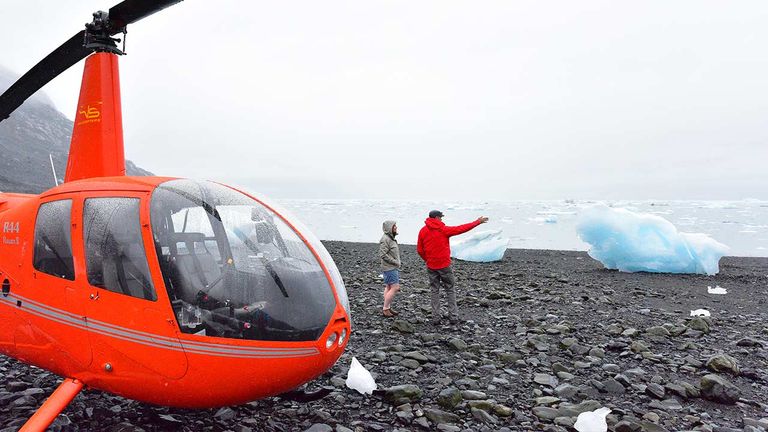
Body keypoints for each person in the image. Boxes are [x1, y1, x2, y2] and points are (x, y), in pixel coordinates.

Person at [417, 210, 488, 325]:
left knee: (434, 290)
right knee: (450, 289)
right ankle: (453, 317)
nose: (442, 219)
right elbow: (461, 229)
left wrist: (428, 259)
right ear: (436, 218)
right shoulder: (443, 229)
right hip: (444, 265)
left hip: (431, 266)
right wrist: (477, 222)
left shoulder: (423, 231)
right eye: (440, 217)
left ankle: (436, 318)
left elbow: (420, 250)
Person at [379, 220, 401, 317]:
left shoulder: (390, 238)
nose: (396, 227)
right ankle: (385, 308)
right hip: (389, 268)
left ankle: (387, 307)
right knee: (395, 287)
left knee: (389, 287)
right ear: (389, 228)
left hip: (390, 267)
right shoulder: (386, 239)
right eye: (394, 226)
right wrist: (395, 262)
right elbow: (383, 254)